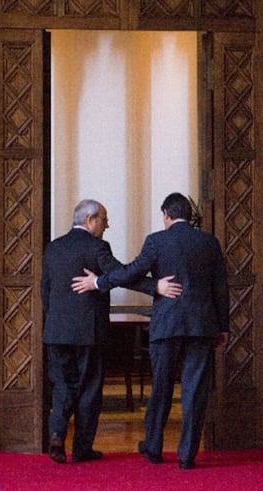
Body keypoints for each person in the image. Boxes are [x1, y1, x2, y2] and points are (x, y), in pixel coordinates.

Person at [72, 192, 229, 470]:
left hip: (166, 326)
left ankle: (154, 447)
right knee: (194, 391)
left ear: (166, 215)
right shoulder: (209, 242)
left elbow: (132, 271)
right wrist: (223, 327)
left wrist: (99, 282)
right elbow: (220, 287)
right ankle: (187, 456)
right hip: (202, 326)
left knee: (162, 388)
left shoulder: (157, 241)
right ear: (189, 215)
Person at [41, 198, 182, 465]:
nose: (107, 225)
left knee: (62, 386)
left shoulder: (53, 249)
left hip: (56, 332)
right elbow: (122, 274)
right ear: (90, 220)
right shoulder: (98, 247)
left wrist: (54, 322)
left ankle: (57, 435)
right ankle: (82, 449)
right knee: (89, 390)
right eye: (104, 220)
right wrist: (156, 287)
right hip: (89, 332)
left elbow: (44, 292)